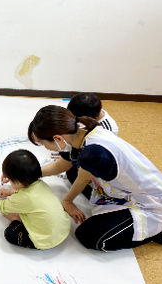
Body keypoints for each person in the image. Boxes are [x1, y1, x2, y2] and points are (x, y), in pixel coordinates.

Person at [28, 105, 162, 251]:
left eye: (42, 143)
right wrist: (26, 173)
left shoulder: (93, 153)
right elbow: (60, 166)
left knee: (88, 235)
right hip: (126, 188)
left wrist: (67, 201)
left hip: (150, 204)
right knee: (72, 171)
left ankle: (157, 231)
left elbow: (83, 179)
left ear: (58, 138)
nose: (44, 147)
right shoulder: (81, 130)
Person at [0, 150, 71, 249]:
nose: (9, 182)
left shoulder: (22, 199)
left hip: (47, 240)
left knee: (10, 234)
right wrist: (9, 192)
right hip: (64, 228)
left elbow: (1, 207)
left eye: (10, 180)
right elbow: (26, 193)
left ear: (17, 181)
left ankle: (15, 219)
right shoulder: (40, 184)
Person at [65, 93, 119, 195]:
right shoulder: (88, 112)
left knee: (73, 173)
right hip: (84, 148)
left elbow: (97, 159)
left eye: (75, 117)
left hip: (98, 162)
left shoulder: (108, 129)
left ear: (88, 118)